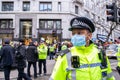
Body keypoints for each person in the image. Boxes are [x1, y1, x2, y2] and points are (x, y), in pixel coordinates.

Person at [49, 17, 115, 80]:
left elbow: (109, 77)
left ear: (89, 36)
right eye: (73, 33)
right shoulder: (65, 56)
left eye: (79, 33)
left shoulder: (100, 53)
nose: (75, 36)